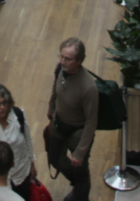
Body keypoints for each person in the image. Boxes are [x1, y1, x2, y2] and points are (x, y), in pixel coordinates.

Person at [47, 37, 98, 201]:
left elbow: (91, 122)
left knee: (80, 169)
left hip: (77, 131)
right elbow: (56, 88)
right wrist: (51, 108)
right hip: (58, 123)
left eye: (68, 59)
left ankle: (80, 193)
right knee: (55, 158)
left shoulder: (88, 87)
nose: (62, 62)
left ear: (79, 61)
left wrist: (80, 152)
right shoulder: (60, 69)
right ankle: (80, 186)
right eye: (61, 57)